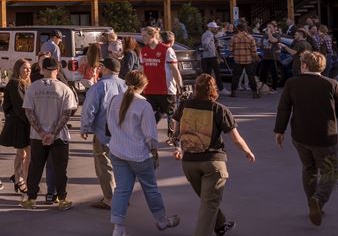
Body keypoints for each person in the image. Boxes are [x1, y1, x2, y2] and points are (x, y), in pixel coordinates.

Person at [175, 74, 255, 236]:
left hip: (189, 163)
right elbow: (236, 138)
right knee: (209, 203)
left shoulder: (184, 106)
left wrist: (178, 148)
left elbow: (177, 131)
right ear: (213, 89)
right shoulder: (219, 109)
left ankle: (220, 225)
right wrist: (247, 151)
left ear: (195, 88)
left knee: (207, 200)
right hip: (213, 163)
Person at [273, 50, 338, 226]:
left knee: (308, 169)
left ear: (304, 65)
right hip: (325, 138)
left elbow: (284, 108)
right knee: (329, 171)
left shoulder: (292, 83)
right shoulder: (331, 84)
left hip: (300, 137)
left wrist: (279, 131)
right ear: (322, 66)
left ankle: (312, 202)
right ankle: (318, 200)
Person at [106, 71, 181, 235]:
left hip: (117, 152)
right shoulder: (143, 105)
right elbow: (150, 136)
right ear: (144, 85)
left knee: (121, 190)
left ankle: (118, 228)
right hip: (139, 155)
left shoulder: (114, 100)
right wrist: (154, 152)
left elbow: (110, 126)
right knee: (151, 189)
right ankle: (161, 220)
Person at [19, 57, 78, 211]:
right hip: (59, 136)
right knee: (60, 169)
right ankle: (62, 199)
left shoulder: (33, 88)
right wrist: (52, 133)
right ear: (57, 70)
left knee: (35, 167)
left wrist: (41, 132)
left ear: (42, 70)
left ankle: (31, 199)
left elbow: (29, 112)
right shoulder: (64, 89)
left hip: (37, 136)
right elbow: (66, 114)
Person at [80, 56, 125, 210]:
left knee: (104, 164)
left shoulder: (100, 87)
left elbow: (89, 109)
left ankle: (109, 198)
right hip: (123, 133)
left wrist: (85, 127)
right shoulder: (126, 86)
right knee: (121, 164)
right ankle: (122, 195)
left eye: (101, 66)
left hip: (103, 132)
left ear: (106, 69)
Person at [0, 58, 32, 193]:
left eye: (29, 68)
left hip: (23, 122)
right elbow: (20, 107)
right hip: (19, 123)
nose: (28, 71)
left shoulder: (26, 83)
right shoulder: (14, 83)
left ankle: (18, 178)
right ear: (17, 69)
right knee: (27, 153)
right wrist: (33, 122)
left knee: (22, 153)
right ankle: (24, 180)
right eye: (24, 68)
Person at [139, 27, 180, 127]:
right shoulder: (143, 50)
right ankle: (149, 135)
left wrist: (180, 86)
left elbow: (175, 70)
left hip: (166, 90)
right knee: (150, 118)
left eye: (145, 36)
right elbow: (141, 70)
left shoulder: (167, 50)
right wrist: (139, 87)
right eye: (142, 36)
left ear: (153, 36)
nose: (142, 38)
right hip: (149, 90)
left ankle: (172, 135)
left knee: (171, 117)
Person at [229, 23, 259, 99]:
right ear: (245, 29)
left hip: (237, 60)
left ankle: (233, 92)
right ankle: (254, 93)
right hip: (248, 60)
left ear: (238, 29)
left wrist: (235, 52)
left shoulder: (233, 38)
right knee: (251, 76)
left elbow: (230, 49)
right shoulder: (250, 38)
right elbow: (254, 51)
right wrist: (255, 58)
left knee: (236, 76)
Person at [258, 22, 284, 92]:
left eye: (270, 27)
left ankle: (274, 88)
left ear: (275, 28)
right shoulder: (265, 35)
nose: (268, 28)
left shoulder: (277, 35)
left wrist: (269, 33)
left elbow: (272, 40)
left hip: (273, 57)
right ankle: (262, 86)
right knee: (263, 72)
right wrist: (260, 44)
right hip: (265, 57)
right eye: (267, 27)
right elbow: (261, 44)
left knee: (274, 73)